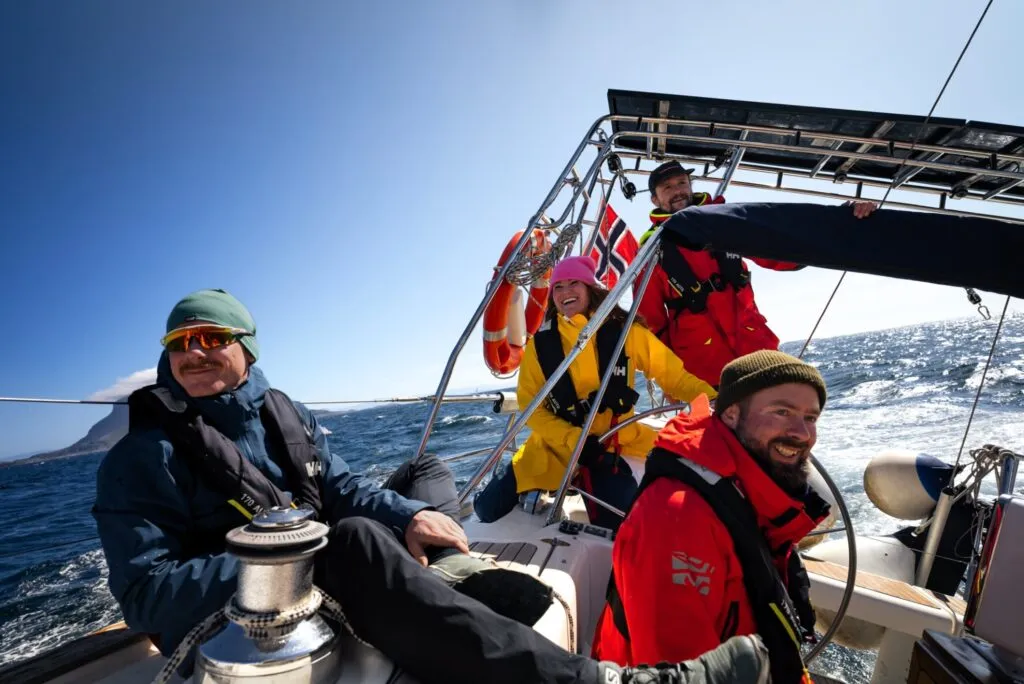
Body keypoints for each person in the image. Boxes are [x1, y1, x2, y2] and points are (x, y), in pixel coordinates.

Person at [92, 288, 770, 684]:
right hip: (252, 617)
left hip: (328, 563)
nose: (195, 352)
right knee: (353, 537)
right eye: (181, 342)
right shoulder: (142, 459)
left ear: (247, 353)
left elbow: (340, 485)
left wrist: (412, 516)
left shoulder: (280, 412)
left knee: (421, 480)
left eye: (213, 337)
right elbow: (148, 595)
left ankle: (446, 560)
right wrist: (292, 558)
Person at [592, 350, 833, 684]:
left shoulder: (749, 492)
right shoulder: (676, 518)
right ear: (731, 414)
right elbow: (677, 672)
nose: (802, 433)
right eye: (782, 411)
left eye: (811, 418)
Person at [474, 256, 716, 530]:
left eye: (574, 283)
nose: (565, 292)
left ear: (591, 288)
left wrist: (717, 402)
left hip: (612, 446)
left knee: (623, 526)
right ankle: (522, 488)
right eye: (558, 287)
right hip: (556, 448)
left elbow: (676, 379)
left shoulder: (627, 333)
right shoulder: (539, 346)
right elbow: (532, 408)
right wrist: (572, 439)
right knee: (485, 509)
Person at [635, 161, 877, 387]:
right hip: (703, 370)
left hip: (758, 352)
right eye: (667, 187)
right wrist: (674, 380)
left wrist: (839, 223)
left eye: (682, 183)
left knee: (783, 421)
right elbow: (651, 325)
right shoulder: (652, 252)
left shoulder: (726, 221)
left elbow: (779, 251)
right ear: (655, 199)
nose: (677, 190)